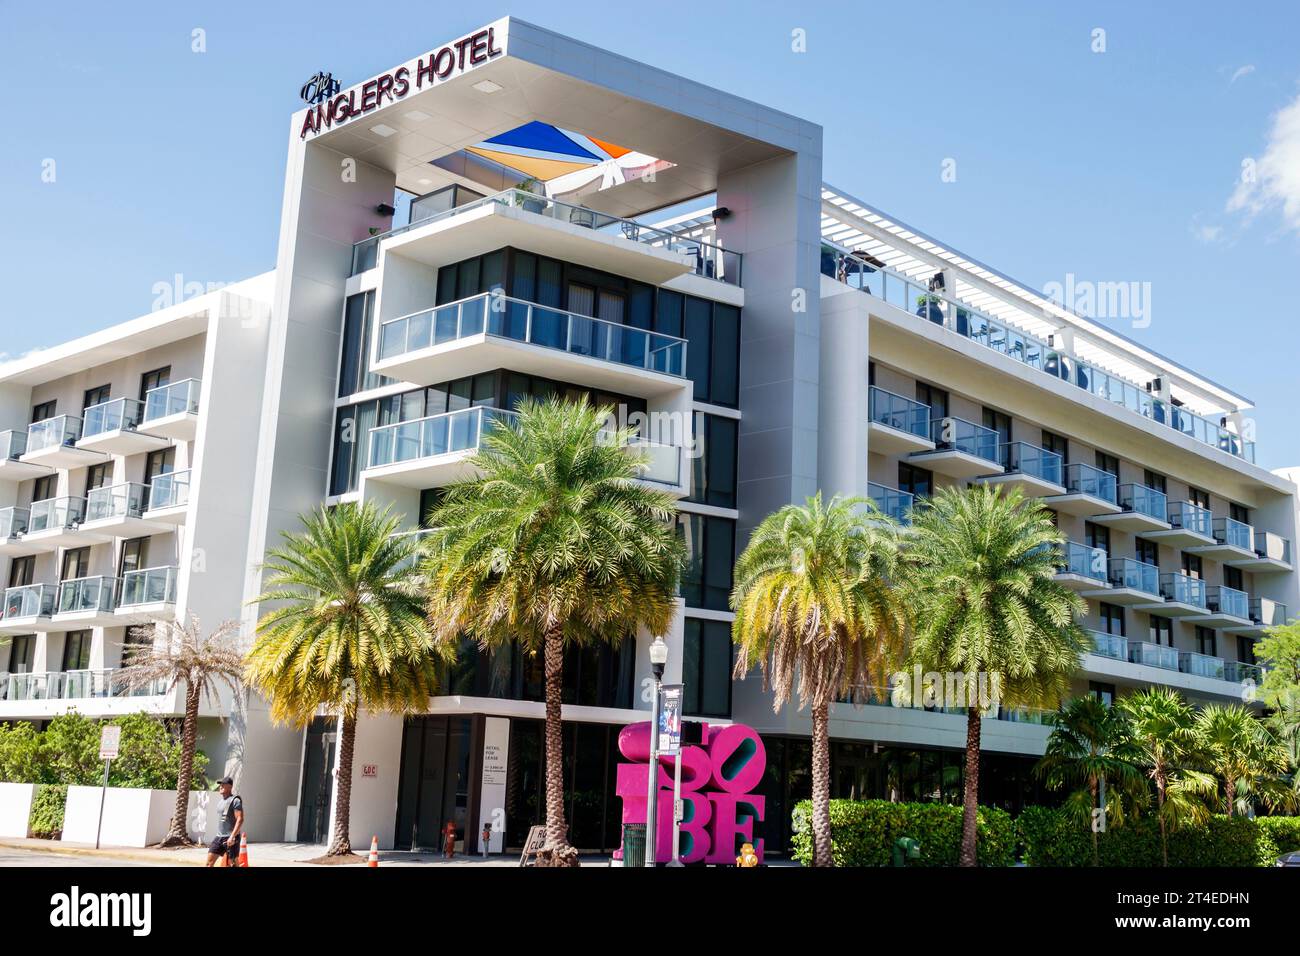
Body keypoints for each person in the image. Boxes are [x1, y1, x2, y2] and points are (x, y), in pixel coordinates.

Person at [206, 776, 244, 867]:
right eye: (220, 784)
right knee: (208, 864)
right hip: (219, 837)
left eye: (223, 784)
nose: (221, 786)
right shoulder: (221, 802)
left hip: (231, 838)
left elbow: (240, 819)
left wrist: (232, 836)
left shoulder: (235, 800)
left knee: (233, 865)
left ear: (230, 787)